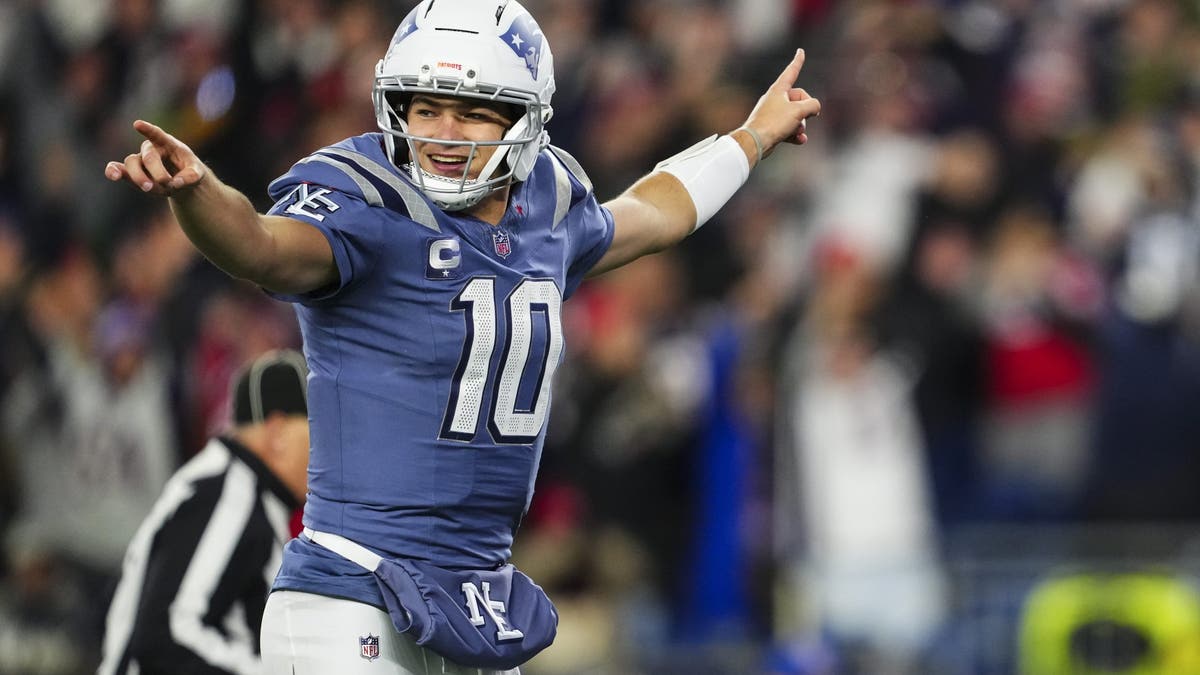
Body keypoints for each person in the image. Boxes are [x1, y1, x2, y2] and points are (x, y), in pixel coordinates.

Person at [103, 1, 820, 672]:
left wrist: (752, 137)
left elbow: (654, 211)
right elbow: (261, 245)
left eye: (473, 112)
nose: (442, 132)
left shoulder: (549, 205)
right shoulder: (367, 200)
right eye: (425, 107)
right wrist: (197, 194)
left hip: (475, 598)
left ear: (525, 119)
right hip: (354, 586)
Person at [97, 349, 310, 675]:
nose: (329, 448)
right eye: (317, 428)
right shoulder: (230, 495)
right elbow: (168, 637)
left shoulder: (239, 490)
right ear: (277, 430)